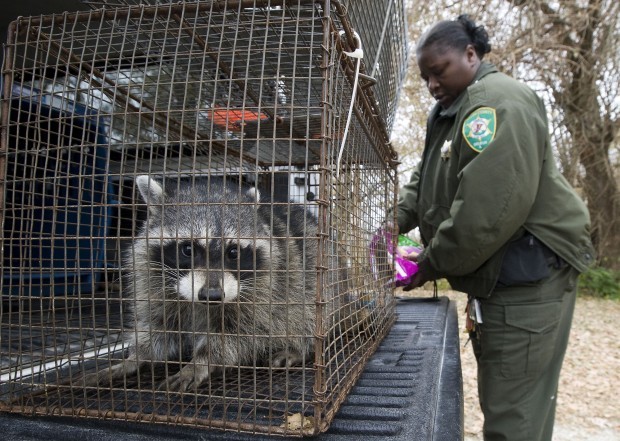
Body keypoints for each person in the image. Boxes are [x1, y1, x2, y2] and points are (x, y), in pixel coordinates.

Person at [395, 15, 596, 441]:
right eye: (425, 76)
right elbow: (423, 182)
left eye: (439, 70)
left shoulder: (496, 103)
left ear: (471, 54)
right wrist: (388, 225)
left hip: (528, 274)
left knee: (512, 415)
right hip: (503, 276)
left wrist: (428, 265)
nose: (431, 84)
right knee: (508, 400)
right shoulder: (450, 111)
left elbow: (486, 213)